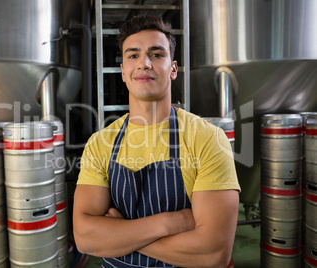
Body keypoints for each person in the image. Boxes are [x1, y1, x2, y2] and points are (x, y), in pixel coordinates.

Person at [73, 14, 241, 268]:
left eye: (156, 54)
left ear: (173, 69)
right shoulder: (101, 143)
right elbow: (85, 239)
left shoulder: (207, 138)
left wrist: (118, 234)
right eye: (133, 55)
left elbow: (213, 253)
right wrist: (169, 223)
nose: (144, 63)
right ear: (123, 71)